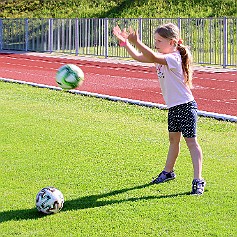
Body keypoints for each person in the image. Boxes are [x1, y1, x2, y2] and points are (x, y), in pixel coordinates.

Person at [113, 23, 206, 195]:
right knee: (173, 141)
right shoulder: (163, 55)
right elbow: (140, 57)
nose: (156, 43)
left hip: (186, 106)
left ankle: (198, 180)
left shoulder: (174, 57)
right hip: (174, 107)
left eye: (159, 40)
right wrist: (127, 44)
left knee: (191, 143)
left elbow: (151, 56)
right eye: (155, 40)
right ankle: (168, 172)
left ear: (172, 42)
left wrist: (138, 42)